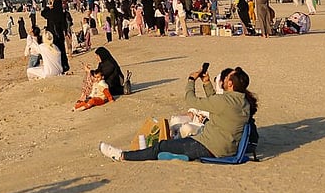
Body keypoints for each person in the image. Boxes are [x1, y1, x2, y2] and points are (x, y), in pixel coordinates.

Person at [100, 67, 256, 162]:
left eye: (228, 77)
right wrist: (207, 82)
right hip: (228, 148)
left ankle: (122, 156)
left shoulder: (224, 102)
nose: (225, 78)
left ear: (230, 84)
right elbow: (216, 102)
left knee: (160, 146)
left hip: (210, 147)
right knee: (179, 143)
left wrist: (191, 80)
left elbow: (191, 100)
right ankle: (181, 156)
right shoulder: (243, 103)